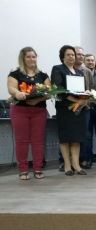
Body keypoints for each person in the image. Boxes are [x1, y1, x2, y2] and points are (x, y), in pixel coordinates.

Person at [7, 47, 50, 180]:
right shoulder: (15, 74)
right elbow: (11, 88)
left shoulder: (43, 75)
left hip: (39, 111)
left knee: (38, 141)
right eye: (28, 57)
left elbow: (49, 92)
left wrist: (37, 99)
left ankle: (38, 168)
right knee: (21, 141)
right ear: (23, 58)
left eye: (33, 56)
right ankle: (23, 170)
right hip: (20, 110)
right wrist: (17, 93)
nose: (31, 59)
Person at [51, 45, 88, 176]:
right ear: (63, 57)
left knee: (76, 138)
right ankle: (67, 165)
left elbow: (83, 91)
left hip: (78, 110)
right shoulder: (58, 69)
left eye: (73, 54)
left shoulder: (79, 72)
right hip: (64, 109)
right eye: (68, 55)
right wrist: (75, 100)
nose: (71, 57)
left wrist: (84, 99)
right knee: (65, 138)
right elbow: (58, 89)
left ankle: (76, 164)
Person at [74, 47, 94, 169]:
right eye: (78, 54)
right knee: (70, 135)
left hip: (85, 107)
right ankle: (67, 160)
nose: (80, 56)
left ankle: (85, 159)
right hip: (69, 106)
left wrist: (86, 101)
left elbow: (91, 88)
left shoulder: (87, 71)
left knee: (86, 135)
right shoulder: (65, 70)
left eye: (82, 54)